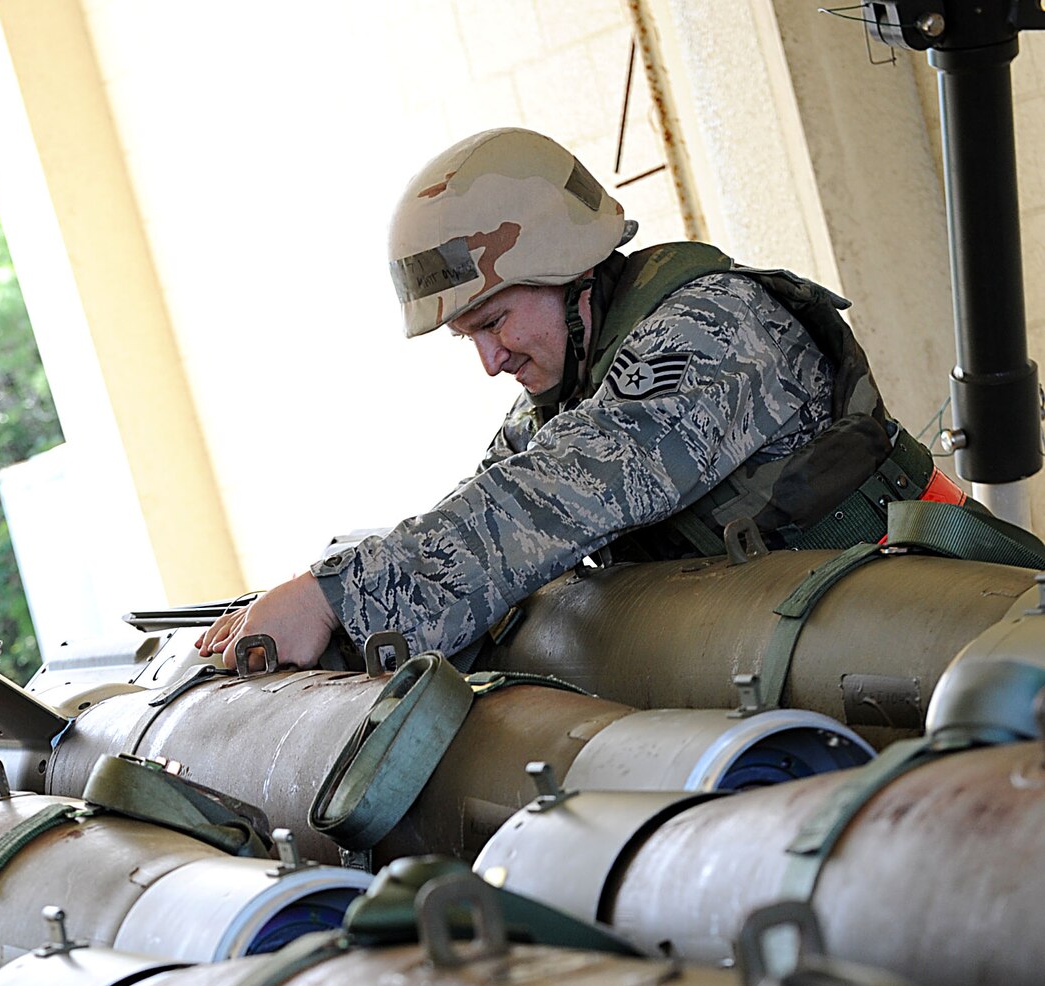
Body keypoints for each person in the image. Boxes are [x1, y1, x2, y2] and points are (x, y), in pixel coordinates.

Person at [199, 126, 939, 671]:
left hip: (940, 633)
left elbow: (546, 504)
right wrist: (315, 605)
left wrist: (333, 598)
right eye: (468, 339)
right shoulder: (562, 397)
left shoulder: (713, 331)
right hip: (840, 652)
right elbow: (480, 511)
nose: (490, 361)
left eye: (493, 323)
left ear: (569, 271)